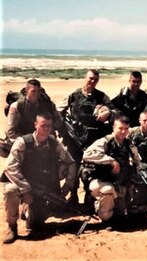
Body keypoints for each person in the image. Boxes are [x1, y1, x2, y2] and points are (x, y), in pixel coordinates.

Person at [2, 113, 76, 244]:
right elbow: (10, 167)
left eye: (49, 126)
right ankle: (12, 227)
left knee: (35, 224)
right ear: (35, 125)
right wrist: (25, 190)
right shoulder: (23, 142)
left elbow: (71, 163)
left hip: (42, 187)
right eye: (43, 126)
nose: (46, 129)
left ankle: (26, 210)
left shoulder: (54, 143)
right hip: (22, 183)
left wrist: (68, 184)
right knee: (10, 190)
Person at [58, 69, 115, 203]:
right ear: (85, 78)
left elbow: (115, 111)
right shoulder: (73, 95)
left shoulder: (102, 97)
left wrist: (108, 113)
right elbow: (58, 111)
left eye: (95, 79)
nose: (92, 81)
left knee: (91, 168)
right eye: (90, 78)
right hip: (75, 139)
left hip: (94, 139)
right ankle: (73, 194)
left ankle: (90, 195)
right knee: (74, 167)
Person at [81, 116, 141, 222]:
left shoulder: (128, 144)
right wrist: (110, 160)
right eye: (120, 128)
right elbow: (87, 155)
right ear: (114, 128)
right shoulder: (105, 142)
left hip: (119, 183)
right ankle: (96, 205)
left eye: (126, 129)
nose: (123, 131)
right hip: (101, 181)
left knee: (120, 215)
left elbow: (137, 161)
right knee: (106, 215)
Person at [3, 79, 61, 155]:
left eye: (38, 91)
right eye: (33, 91)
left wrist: (48, 130)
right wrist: (26, 142)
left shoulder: (47, 105)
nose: (36, 94)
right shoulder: (17, 107)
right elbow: (11, 132)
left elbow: (58, 121)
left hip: (44, 140)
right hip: (22, 140)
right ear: (26, 91)